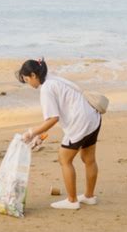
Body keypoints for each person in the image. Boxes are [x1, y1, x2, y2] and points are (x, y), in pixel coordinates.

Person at [17, 58, 102, 209]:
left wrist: (30, 133)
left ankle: (72, 200)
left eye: (26, 79)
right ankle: (89, 196)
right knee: (88, 158)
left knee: (64, 159)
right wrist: (38, 135)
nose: (28, 84)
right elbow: (56, 114)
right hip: (92, 116)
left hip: (80, 122)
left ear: (33, 75)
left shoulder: (46, 88)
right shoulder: (52, 78)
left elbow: (53, 119)